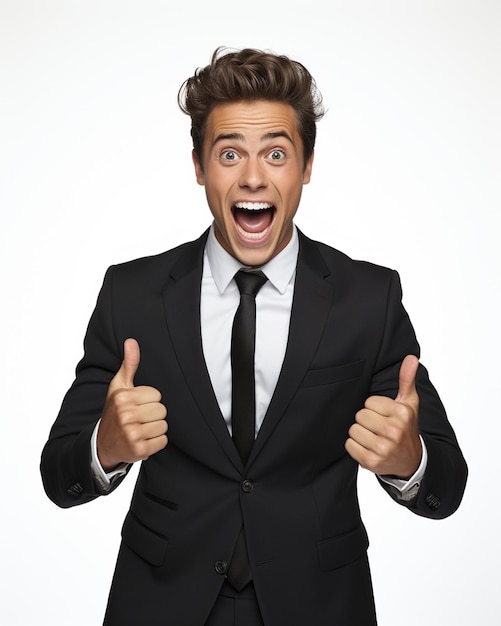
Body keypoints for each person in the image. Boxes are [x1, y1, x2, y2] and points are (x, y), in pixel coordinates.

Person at [41, 47, 467, 626]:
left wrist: (408, 460)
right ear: (198, 166)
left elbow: (448, 482)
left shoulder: (369, 300)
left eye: (275, 152)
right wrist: (103, 447)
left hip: (318, 607)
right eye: (229, 152)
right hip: (162, 604)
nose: (252, 175)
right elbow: (57, 475)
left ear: (306, 165)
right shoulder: (132, 295)